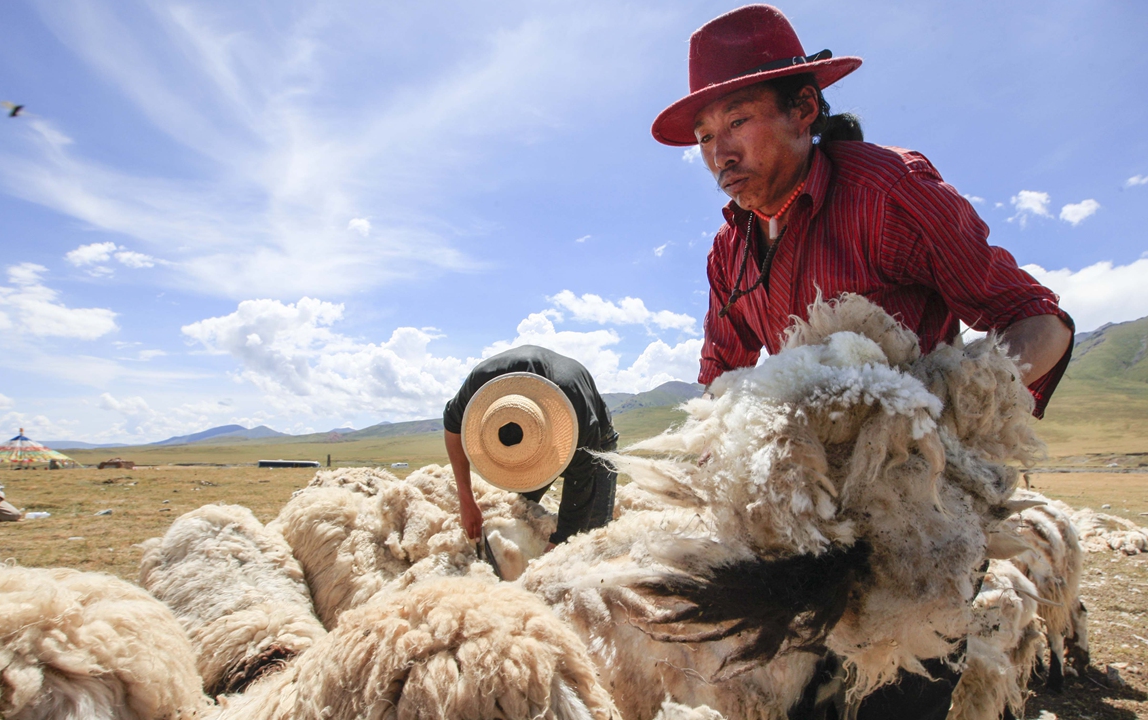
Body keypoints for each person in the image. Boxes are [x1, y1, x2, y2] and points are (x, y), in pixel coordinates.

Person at [650, 5, 1074, 719]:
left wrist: (941, 409)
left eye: (737, 122)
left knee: (897, 698)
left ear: (804, 108)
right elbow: (719, 374)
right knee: (788, 696)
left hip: (917, 518)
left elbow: (1037, 318)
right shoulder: (729, 252)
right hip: (809, 518)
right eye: (705, 137)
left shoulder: (887, 194)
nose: (719, 153)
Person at [443, 346, 618, 550]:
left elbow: (580, 486)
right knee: (517, 513)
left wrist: (560, 542)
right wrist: (466, 499)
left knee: (589, 535)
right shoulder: (479, 385)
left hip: (595, 439)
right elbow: (452, 426)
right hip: (549, 421)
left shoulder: (579, 420)